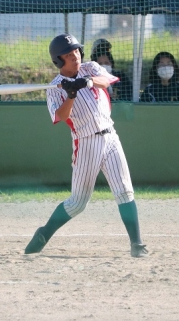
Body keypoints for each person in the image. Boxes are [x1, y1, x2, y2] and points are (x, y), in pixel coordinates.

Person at [24, 33, 148, 258]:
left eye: (76, 51)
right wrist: (70, 94)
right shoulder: (54, 88)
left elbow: (107, 81)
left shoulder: (90, 67)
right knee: (78, 203)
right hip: (86, 143)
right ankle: (44, 233)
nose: (75, 56)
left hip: (111, 136)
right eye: (69, 54)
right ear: (59, 60)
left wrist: (87, 81)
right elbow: (60, 117)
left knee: (124, 191)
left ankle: (137, 244)